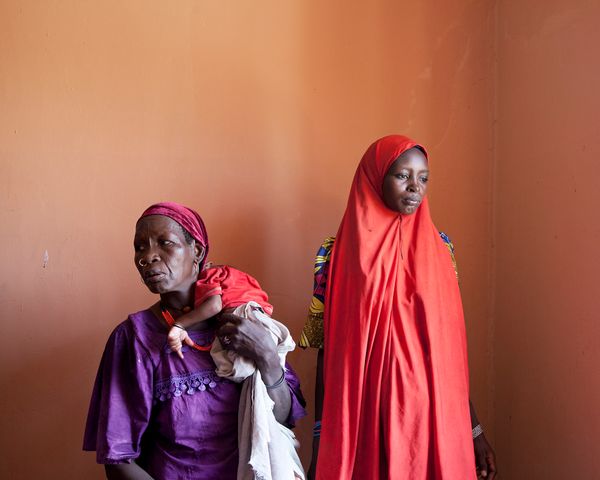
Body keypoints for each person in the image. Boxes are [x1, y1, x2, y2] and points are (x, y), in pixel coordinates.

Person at [300, 136, 497, 479]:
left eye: (423, 178)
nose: (415, 187)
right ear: (376, 177)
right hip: (365, 419)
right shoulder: (336, 255)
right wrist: (321, 442)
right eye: (402, 176)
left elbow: (448, 353)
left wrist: (474, 430)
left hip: (431, 419)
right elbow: (326, 352)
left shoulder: (442, 251)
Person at [83, 202, 306, 479]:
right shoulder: (135, 338)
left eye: (165, 243)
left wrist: (268, 357)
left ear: (197, 251)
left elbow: (281, 419)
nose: (147, 256)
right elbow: (118, 459)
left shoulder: (244, 324)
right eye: (139, 248)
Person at [166, 261, 274, 359]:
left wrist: (180, 324)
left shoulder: (210, 272)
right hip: (264, 317)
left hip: (240, 315)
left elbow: (214, 306)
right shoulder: (242, 276)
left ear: (207, 265)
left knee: (223, 358)